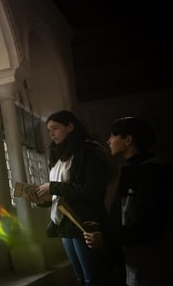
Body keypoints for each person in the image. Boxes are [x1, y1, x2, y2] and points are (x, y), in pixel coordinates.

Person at [83, 117, 171, 285]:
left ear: (128, 140)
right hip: (137, 259)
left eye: (113, 135)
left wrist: (107, 237)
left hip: (153, 262)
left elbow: (150, 223)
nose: (108, 140)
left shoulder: (151, 172)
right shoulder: (134, 170)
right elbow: (125, 215)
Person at [29, 110, 110, 285]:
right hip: (64, 223)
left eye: (55, 128)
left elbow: (92, 190)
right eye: (49, 130)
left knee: (93, 278)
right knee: (81, 278)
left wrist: (53, 187)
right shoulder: (59, 157)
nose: (51, 134)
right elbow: (60, 194)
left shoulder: (89, 152)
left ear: (70, 127)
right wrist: (43, 199)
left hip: (83, 221)